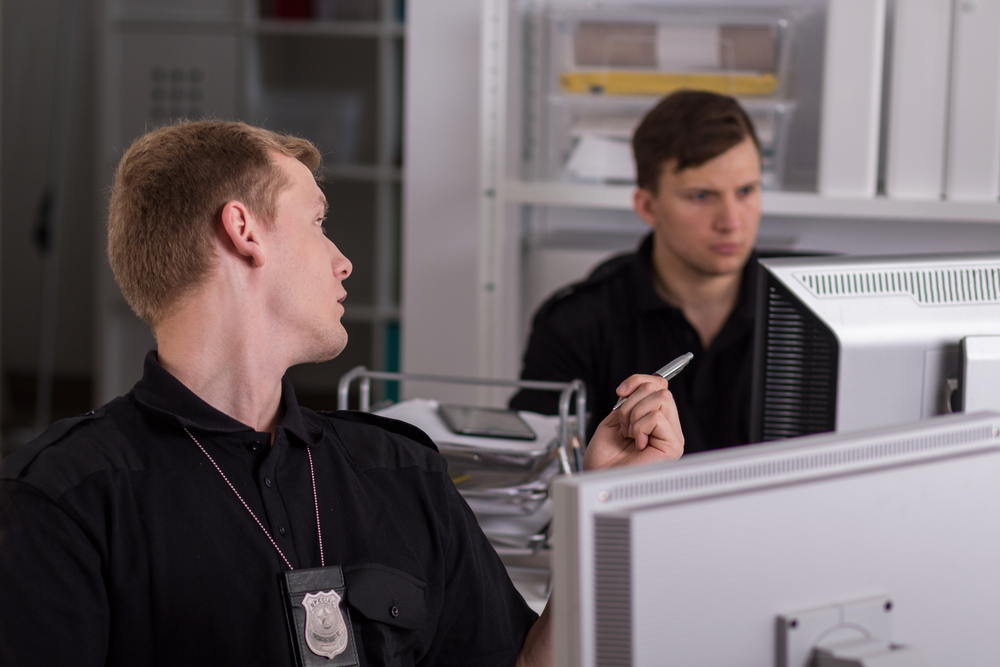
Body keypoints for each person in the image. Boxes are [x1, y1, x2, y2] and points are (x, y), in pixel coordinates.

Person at [0, 120, 685, 667]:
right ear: (244, 231)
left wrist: (601, 506)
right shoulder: (64, 502)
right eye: (318, 220)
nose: (343, 259)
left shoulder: (403, 472)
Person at [510, 90, 762, 453]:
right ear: (647, 206)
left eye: (746, 191)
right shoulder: (574, 325)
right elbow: (539, 485)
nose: (731, 222)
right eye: (701, 196)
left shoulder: (816, 313)